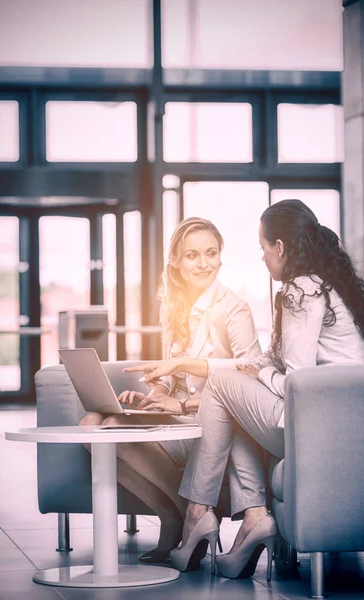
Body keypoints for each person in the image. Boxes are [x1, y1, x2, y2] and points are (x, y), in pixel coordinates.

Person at [129, 199, 364, 578]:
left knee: (223, 389)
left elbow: (296, 381)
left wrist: (261, 376)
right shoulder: (331, 286)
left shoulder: (300, 291)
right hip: (348, 430)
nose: (263, 259)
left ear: (279, 247)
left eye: (264, 248)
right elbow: (269, 363)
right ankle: (253, 517)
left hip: (315, 430)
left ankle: (198, 515)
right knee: (230, 396)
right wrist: (245, 369)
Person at [79, 216, 262, 565]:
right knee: (91, 424)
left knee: (112, 430)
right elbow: (173, 370)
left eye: (211, 253)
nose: (203, 263)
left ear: (221, 257)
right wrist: (157, 392)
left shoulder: (233, 309)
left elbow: (250, 381)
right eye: (192, 256)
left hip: (210, 425)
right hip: (178, 416)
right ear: (176, 261)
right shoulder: (174, 307)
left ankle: (180, 519)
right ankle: (174, 513)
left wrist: (183, 404)